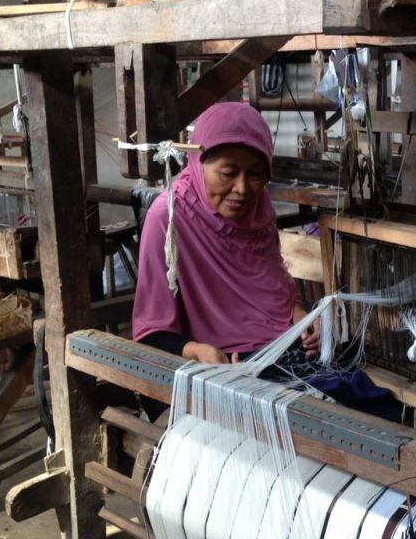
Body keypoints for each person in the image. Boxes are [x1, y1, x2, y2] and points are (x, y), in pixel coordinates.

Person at [132, 102, 319, 364]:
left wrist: (300, 316)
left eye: (255, 174)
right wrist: (197, 351)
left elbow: (275, 285)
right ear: (198, 163)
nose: (242, 189)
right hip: (223, 363)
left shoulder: (258, 207)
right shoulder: (168, 218)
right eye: (228, 173)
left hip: (280, 348)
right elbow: (152, 331)